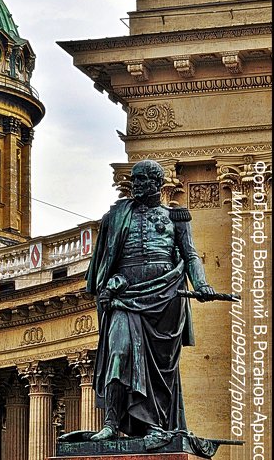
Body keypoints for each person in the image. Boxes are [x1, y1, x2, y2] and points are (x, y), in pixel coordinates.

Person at [65, 159, 215, 444]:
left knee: (160, 368)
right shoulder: (116, 217)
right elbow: (102, 264)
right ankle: (110, 422)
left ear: (158, 183)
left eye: (143, 180)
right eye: (134, 181)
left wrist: (202, 284)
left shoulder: (176, 218)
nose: (137, 186)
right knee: (118, 352)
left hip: (165, 299)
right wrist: (109, 282)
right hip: (126, 297)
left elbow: (190, 255)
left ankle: (155, 425)